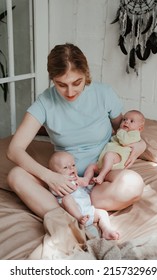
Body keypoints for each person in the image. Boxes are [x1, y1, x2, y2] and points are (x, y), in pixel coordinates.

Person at [7, 43, 146, 221]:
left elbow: (124, 130)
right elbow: (14, 149)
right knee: (16, 176)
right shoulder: (45, 102)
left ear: (86, 74)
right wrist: (50, 177)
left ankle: (78, 207)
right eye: (61, 85)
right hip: (63, 179)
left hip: (101, 173)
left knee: (133, 184)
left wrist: (141, 143)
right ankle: (63, 217)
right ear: (52, 79)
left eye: (77, 82)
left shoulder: (104, 93)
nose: (70, 92)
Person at [48, 150, 119, 240]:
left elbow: (85, 190)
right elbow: (55, 191)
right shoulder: (57, 184)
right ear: (54, 173)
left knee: (102, 213)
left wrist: (90, 183)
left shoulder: (78, 180)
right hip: (71, 213)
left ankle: (106, 230)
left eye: (73, 165)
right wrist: (73, 182)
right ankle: (80, 219)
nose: (71, 168)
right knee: (67, 198)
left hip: (87, 211)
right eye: (65, 167)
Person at [84, 110, 145, 185]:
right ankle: (86, 180)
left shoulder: (135, 134)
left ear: (140, 128)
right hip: (104, 163)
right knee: (92, 166)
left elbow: (125, 141)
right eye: (124, 119)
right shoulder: (120, 133)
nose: (126, 122)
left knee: (109, 155)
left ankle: (102, 176)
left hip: (118, 160)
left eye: (131, 121)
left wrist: (120, 131)